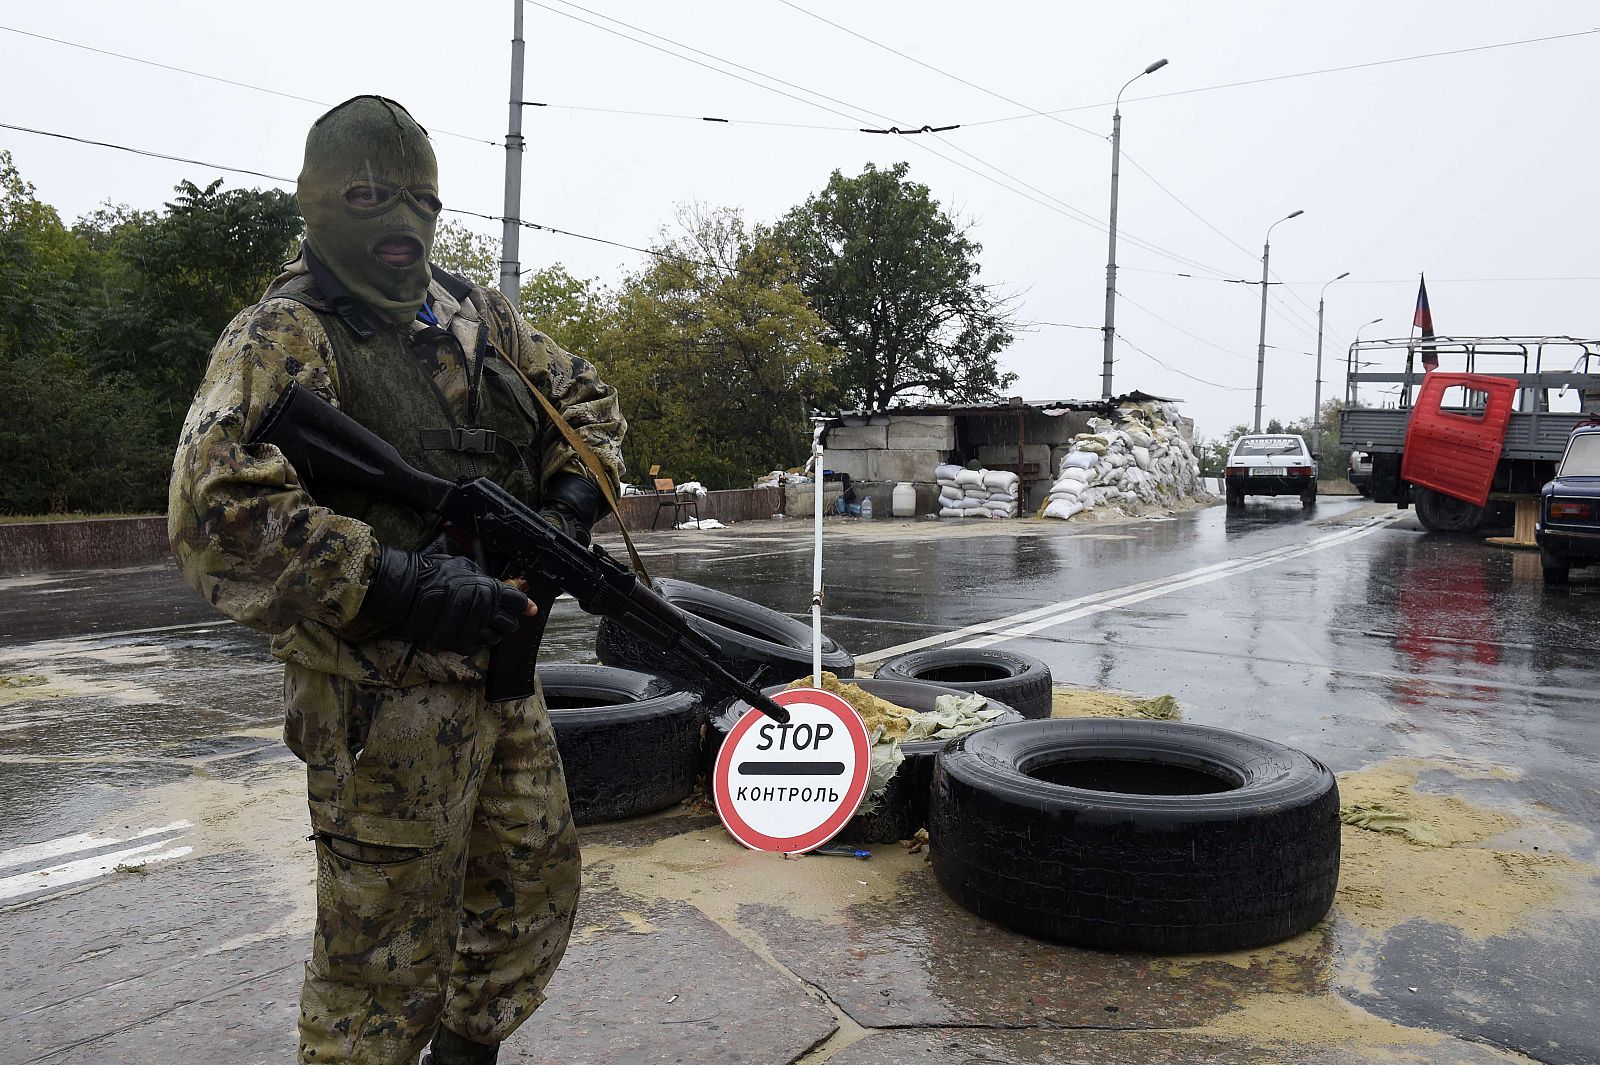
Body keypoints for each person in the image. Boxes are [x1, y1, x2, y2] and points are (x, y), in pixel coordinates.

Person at [168, 95, 627, 1065]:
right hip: (377, 699)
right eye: (370, 196)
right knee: (379, 957)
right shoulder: (283, 333)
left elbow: (584, 401)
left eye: (419, 198)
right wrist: (401, 586)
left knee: (528, 896)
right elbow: (220, 511)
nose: (401, 222)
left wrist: (568, 509)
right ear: (320, 202)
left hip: (502, 674)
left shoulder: (480, 314)